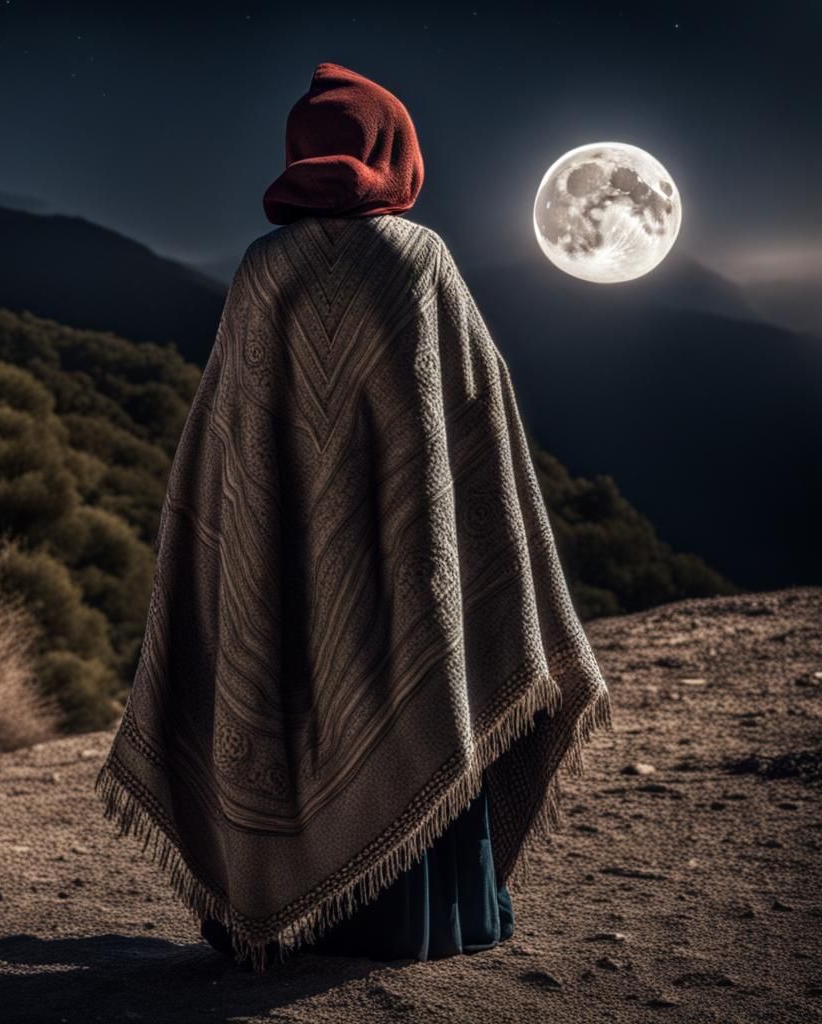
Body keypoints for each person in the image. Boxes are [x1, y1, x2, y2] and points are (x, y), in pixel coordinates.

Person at [95, 61, 613, 974]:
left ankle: (281, 910)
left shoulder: (264, 273)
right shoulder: (421, 262)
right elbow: (478, 434)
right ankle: (419, 915)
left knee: (285, 659)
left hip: (282, 580)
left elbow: (227, 455)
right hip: (415, 576)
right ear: (394, 152)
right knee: (417, 669)